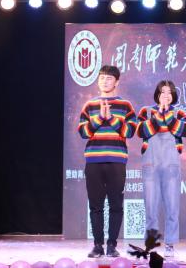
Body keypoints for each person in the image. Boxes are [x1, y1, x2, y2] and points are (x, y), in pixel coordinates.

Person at [78, 65, 138, 259]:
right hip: (94, 160)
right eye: (102, 78)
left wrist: (111, 118)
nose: (105, 81)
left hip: (116, 160)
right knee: (95, 205)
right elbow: (83, 132)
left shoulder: (125, 106)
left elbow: (130, 131)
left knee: (116, 204)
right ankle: (98, 245)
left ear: (117, 82)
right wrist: (99, 118)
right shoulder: (89, 105)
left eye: (109, 78)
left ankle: (112, 245)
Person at [137, 80, 186, 259]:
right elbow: (142, 131)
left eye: (169, 92)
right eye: (163, 92)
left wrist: (168, 115)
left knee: (172, 206)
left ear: (173, 95)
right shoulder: (146, 112)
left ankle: (170, 244)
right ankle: (151, 244)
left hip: (171, 163)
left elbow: (183, 130)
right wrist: (159, 114)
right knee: (151, 206)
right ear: (157, 95)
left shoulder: (180, 113)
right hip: (150, 163)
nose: (166, 95)